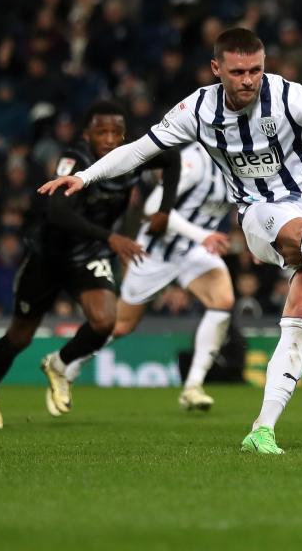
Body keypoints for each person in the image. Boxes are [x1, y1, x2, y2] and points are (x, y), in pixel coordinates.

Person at [40, 28, 302, 454]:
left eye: (256, 69)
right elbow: (139, 150)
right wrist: (84, 176)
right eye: (238, 71)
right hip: (258, 214)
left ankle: (263, 428)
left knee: (301, 309)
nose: (248, 80)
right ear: (217, 69)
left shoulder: (289, 97)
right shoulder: (196, 109)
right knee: (292, 228)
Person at [0, 101, 181, 428]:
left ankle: (60, 363)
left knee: (104, 321)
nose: (110, 139)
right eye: (102, 131)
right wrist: (110, 237)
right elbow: (57, 211)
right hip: (49, 255)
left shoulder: (132, 156)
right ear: (87, 134)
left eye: (116, 132)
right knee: (20, 336)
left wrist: (165, 210)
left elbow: (171, 158)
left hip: (89, 255)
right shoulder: (74, 160)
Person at [68, 143, 234, 411]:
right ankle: (70, 364)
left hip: (193, 251)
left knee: (223, 300)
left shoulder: (242, 163)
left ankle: (193, 387)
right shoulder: (195, 161)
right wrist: (202, 236)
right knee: (121, 325)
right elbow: (154, 206)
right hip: (157, 252)